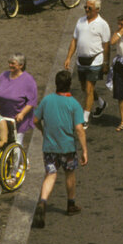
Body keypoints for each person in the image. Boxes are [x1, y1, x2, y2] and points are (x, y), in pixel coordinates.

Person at [32, 69, 88, 229]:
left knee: (50, 174)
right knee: (69, 174)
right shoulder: (74, 104)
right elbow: (79, 129)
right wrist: (84, 150)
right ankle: (71, 204)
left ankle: (42, 201)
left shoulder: (47, 100)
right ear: (69, 85)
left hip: (49, 146)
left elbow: (35, 120)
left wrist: (43, 130)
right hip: (67, 147)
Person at [64, 0, 111, 128]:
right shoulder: (80, 21)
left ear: (97, 9)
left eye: (89, 8)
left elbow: (106, 46)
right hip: (81, 60)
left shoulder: (103, 24)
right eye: (85, 7)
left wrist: (106, 63)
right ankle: (101, 104)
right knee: (85, 88)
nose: (86, 9)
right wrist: (68, 57)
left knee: (89, 89)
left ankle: (85, 118)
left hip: (95, 61)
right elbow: (74, 40)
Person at [0, 53, 39, 133]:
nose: (10, 65)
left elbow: (31, 102)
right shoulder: (3, 76)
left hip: (17, 121)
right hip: (1, 118)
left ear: (21, 65)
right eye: (9, 63)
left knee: (16, 144)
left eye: (13, 63)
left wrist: (22, 114)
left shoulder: (28, 80)